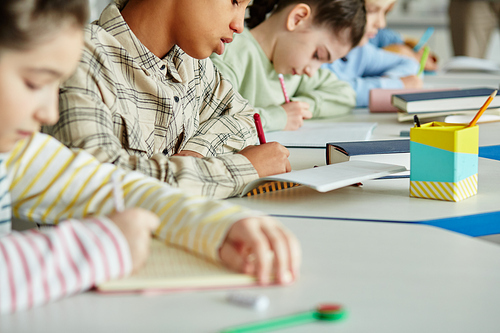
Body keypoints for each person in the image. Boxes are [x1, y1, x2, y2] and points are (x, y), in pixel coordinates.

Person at [0, 0, 301, 315]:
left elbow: (107, 184)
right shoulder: (87, 56)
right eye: (34, 83)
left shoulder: (18, 154)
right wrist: (107, 245)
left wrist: (216, 224)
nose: (48, 112)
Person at [42, 0, 291, 200]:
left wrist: (195, 154)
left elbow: (246, 118)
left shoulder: (193, 64)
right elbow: (96, 185)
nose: (239, 25)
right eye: (234, 1)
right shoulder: (79, 58)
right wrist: (242, 169)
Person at [210, 0, 364, 132]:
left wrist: (298, 109)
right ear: (297, 19)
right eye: (317, 55)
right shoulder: (231, 53)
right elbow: (216, 122)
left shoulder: (292, 70)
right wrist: (279, 116)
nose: (312, 72)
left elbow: (345, 95)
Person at [322, 0, 423, 107]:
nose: (381, 24)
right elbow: (327, 92)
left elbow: (411, 65)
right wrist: (392, 86)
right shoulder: (315, 54)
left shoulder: (359, 51)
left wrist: (385, 83)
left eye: (385, 13)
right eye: (371, 11)